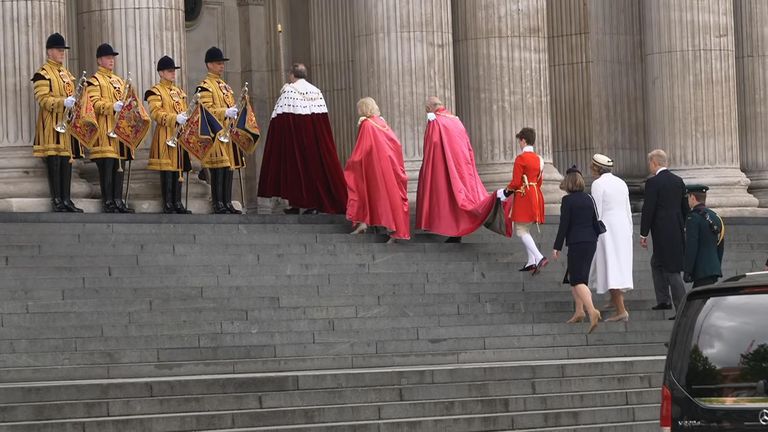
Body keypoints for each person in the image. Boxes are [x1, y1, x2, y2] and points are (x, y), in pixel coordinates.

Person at [258, 63, 347, 215]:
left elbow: (280, 121)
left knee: (296, 172)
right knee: (314, 172)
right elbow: (323, 123)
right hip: (315, 143)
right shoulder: (317, 92)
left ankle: (296, 204)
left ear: (291, 75)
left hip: (295, 142)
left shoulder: (289, 91)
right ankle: (313, 205)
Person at [416, 96, 495, 243]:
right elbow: (466, 142)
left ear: (429, 108)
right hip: (461, 165)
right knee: (457, 196)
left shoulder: (435, 121)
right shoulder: (455, 120)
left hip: (444, 164)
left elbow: (432, 145)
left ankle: (447, 228)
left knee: (447, 197)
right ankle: (457, 231)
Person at [31, 32, 84, 213]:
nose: (62, 53)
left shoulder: (67, 74)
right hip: (51, 123)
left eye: (63, 50)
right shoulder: (42, 74)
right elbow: (43, 99)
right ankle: (57, 199)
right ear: (49, 52)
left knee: (66, 162)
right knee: (54, 160)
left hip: (66, 124)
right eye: (58, 50)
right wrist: (63, 102)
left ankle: (67, 199)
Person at [344, 97, 409, 242]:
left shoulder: (367, 124)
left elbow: (362, 149)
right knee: (385, 197)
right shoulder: (381, 122)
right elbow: (395, 144)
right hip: (387, 167)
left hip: (373, 168)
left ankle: (368, 223)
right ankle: (365, 223)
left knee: (363, 190)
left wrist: (351, 162)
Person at [639, 149, 688, 317]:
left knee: (671, 269)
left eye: (649, 163)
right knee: (657, 263)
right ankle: (664, 300)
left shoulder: (653, 183)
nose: (649, 166)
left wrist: (643, 234)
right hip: (676, 229)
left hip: (661, 231)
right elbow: (685, 208)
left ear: (654, 162)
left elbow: (648, 209)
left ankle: (681, 307)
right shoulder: (678, 181)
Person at [552, 166, 601, 333]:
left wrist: (557, 246)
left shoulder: (568, 201)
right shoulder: (589, 198)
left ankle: (591, 310)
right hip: (591, 241)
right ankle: (579, 311)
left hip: (576, 242)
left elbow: (563, 225)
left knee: (577, 280)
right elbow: (596, 221)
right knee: (576, 276)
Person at [86, 43, 134, 213]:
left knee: (118, 167)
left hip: (119, 132)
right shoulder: (94, 81)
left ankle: (118, 200)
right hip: (104, 132)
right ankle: (108, 200)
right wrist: (112, 107)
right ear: (99, 60)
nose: (111, 60)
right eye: (108, 57)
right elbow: (94, 104)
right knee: (107, 166)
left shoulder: (119, 81)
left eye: (112, 58)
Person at [197, 46, 243, 214]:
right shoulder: (205, 86)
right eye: (218, 63)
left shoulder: (225, 86)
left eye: (222, 63)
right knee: (218, 168)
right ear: (209, 65)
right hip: (215, 134)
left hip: (228, 133)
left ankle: (227, 202)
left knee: (229, 168)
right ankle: (218, 203)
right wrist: (225, 112)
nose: (221, 66)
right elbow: (205, 110)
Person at [145, 55, 192, 214]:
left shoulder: (179, 92)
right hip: (165, 134)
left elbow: (185, 110)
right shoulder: (155, 91)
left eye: (173, 71)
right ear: (161, 73)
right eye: (169, 71)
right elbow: (156, 113)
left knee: (178, 168)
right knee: (167, 169)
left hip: (179, 135)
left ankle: (177, 202)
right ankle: (168, 203)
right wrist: (174, 118)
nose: (173, 73)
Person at [589, 154, 633, 322]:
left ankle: (621, 310)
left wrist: (593, 231)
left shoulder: (598, 184)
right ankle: (613, 301)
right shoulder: (620, 182)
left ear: (596, 168)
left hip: (606, 229)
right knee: (617, 266)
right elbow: (627, 209)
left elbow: (597, 211)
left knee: (611, 267)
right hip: (622, 227)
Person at [501, 127, 547, 274]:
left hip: (524, 195)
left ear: (523, 140)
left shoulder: (521, 159)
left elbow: (515, 182)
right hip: (535, 194)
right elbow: (539, 181)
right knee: (525, 228)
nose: (519, 144)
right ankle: (531, 261)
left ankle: (539, 257)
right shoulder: (539, 159)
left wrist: (505, 193)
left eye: (519, 141)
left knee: (520, 230)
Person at [683, 185, 724, 288]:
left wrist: (688, 270)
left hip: (701, 270)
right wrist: (716, 265)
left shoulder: (693, 217)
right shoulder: (715, 216)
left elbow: (691, 246)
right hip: (713, 269)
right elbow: (720, 246)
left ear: (692, 197)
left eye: (688, 197)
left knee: (697, 302)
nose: (688, 200)